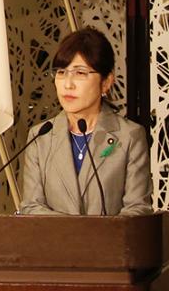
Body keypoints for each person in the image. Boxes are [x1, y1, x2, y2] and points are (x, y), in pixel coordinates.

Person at [20, 27, 152, 216]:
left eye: (80, 73)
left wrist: (94, 237)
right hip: (54, 245)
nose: (68, 84)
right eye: (61, 72)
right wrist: (76, 234)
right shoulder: (41, 136)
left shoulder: (129, 136)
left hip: (109, 245)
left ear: (106, 82)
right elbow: (31, 207)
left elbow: (138, 209)